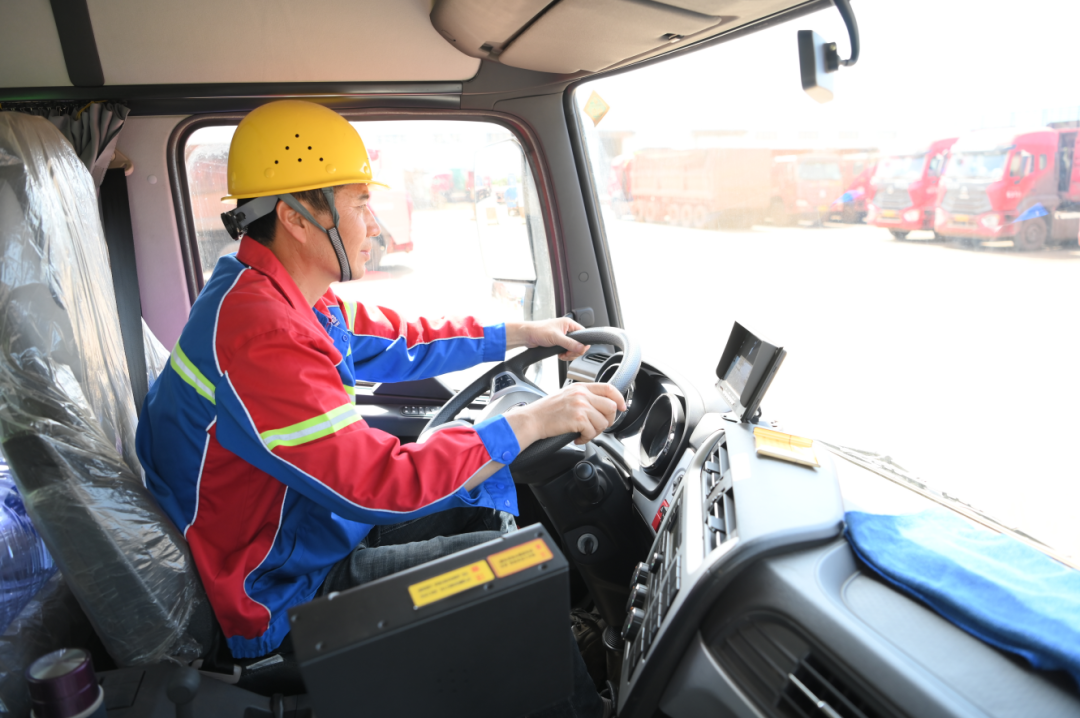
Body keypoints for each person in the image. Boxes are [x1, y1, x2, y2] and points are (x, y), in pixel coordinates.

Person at [136, 100, 623, 714]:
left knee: (486, 508)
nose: (377, 228)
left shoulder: (278, 295)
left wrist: (519, 334)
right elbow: (378, 484)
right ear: (296, 218)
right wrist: (530, 421)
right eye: (361, 204)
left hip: (297, 535)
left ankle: (552, 655)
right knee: (514, 570)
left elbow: (400, 338)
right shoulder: (263, 335)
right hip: (277, 593)